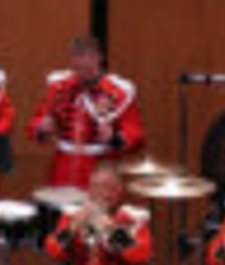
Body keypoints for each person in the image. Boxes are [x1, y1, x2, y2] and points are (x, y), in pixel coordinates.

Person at [28, 37, 145, 189]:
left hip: (100, 165)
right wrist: (42, 129)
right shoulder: (59, 87)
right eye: (77, 60)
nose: (82, 66)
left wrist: (114, 138)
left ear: (99, 58)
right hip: (63, 164)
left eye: (88, 58)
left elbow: (135, 132)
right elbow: (38, 120)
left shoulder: (118, 91)